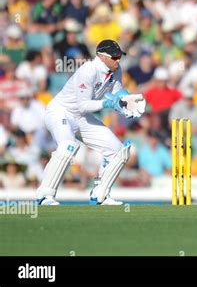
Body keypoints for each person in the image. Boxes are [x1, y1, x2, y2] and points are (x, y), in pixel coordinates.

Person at [36, 39, 135, 206]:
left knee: (117, 150)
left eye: (119, 57)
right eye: (115, 57)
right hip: (61, 111)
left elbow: (117, 95)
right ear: (102, 56)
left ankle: (100, 195)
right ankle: (45, 195)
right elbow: (83, 105)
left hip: (82, 118)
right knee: (68, 146)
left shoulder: (116, 69)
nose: (118, 60)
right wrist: (108, 103)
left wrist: (126, 106)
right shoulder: (88, 70)